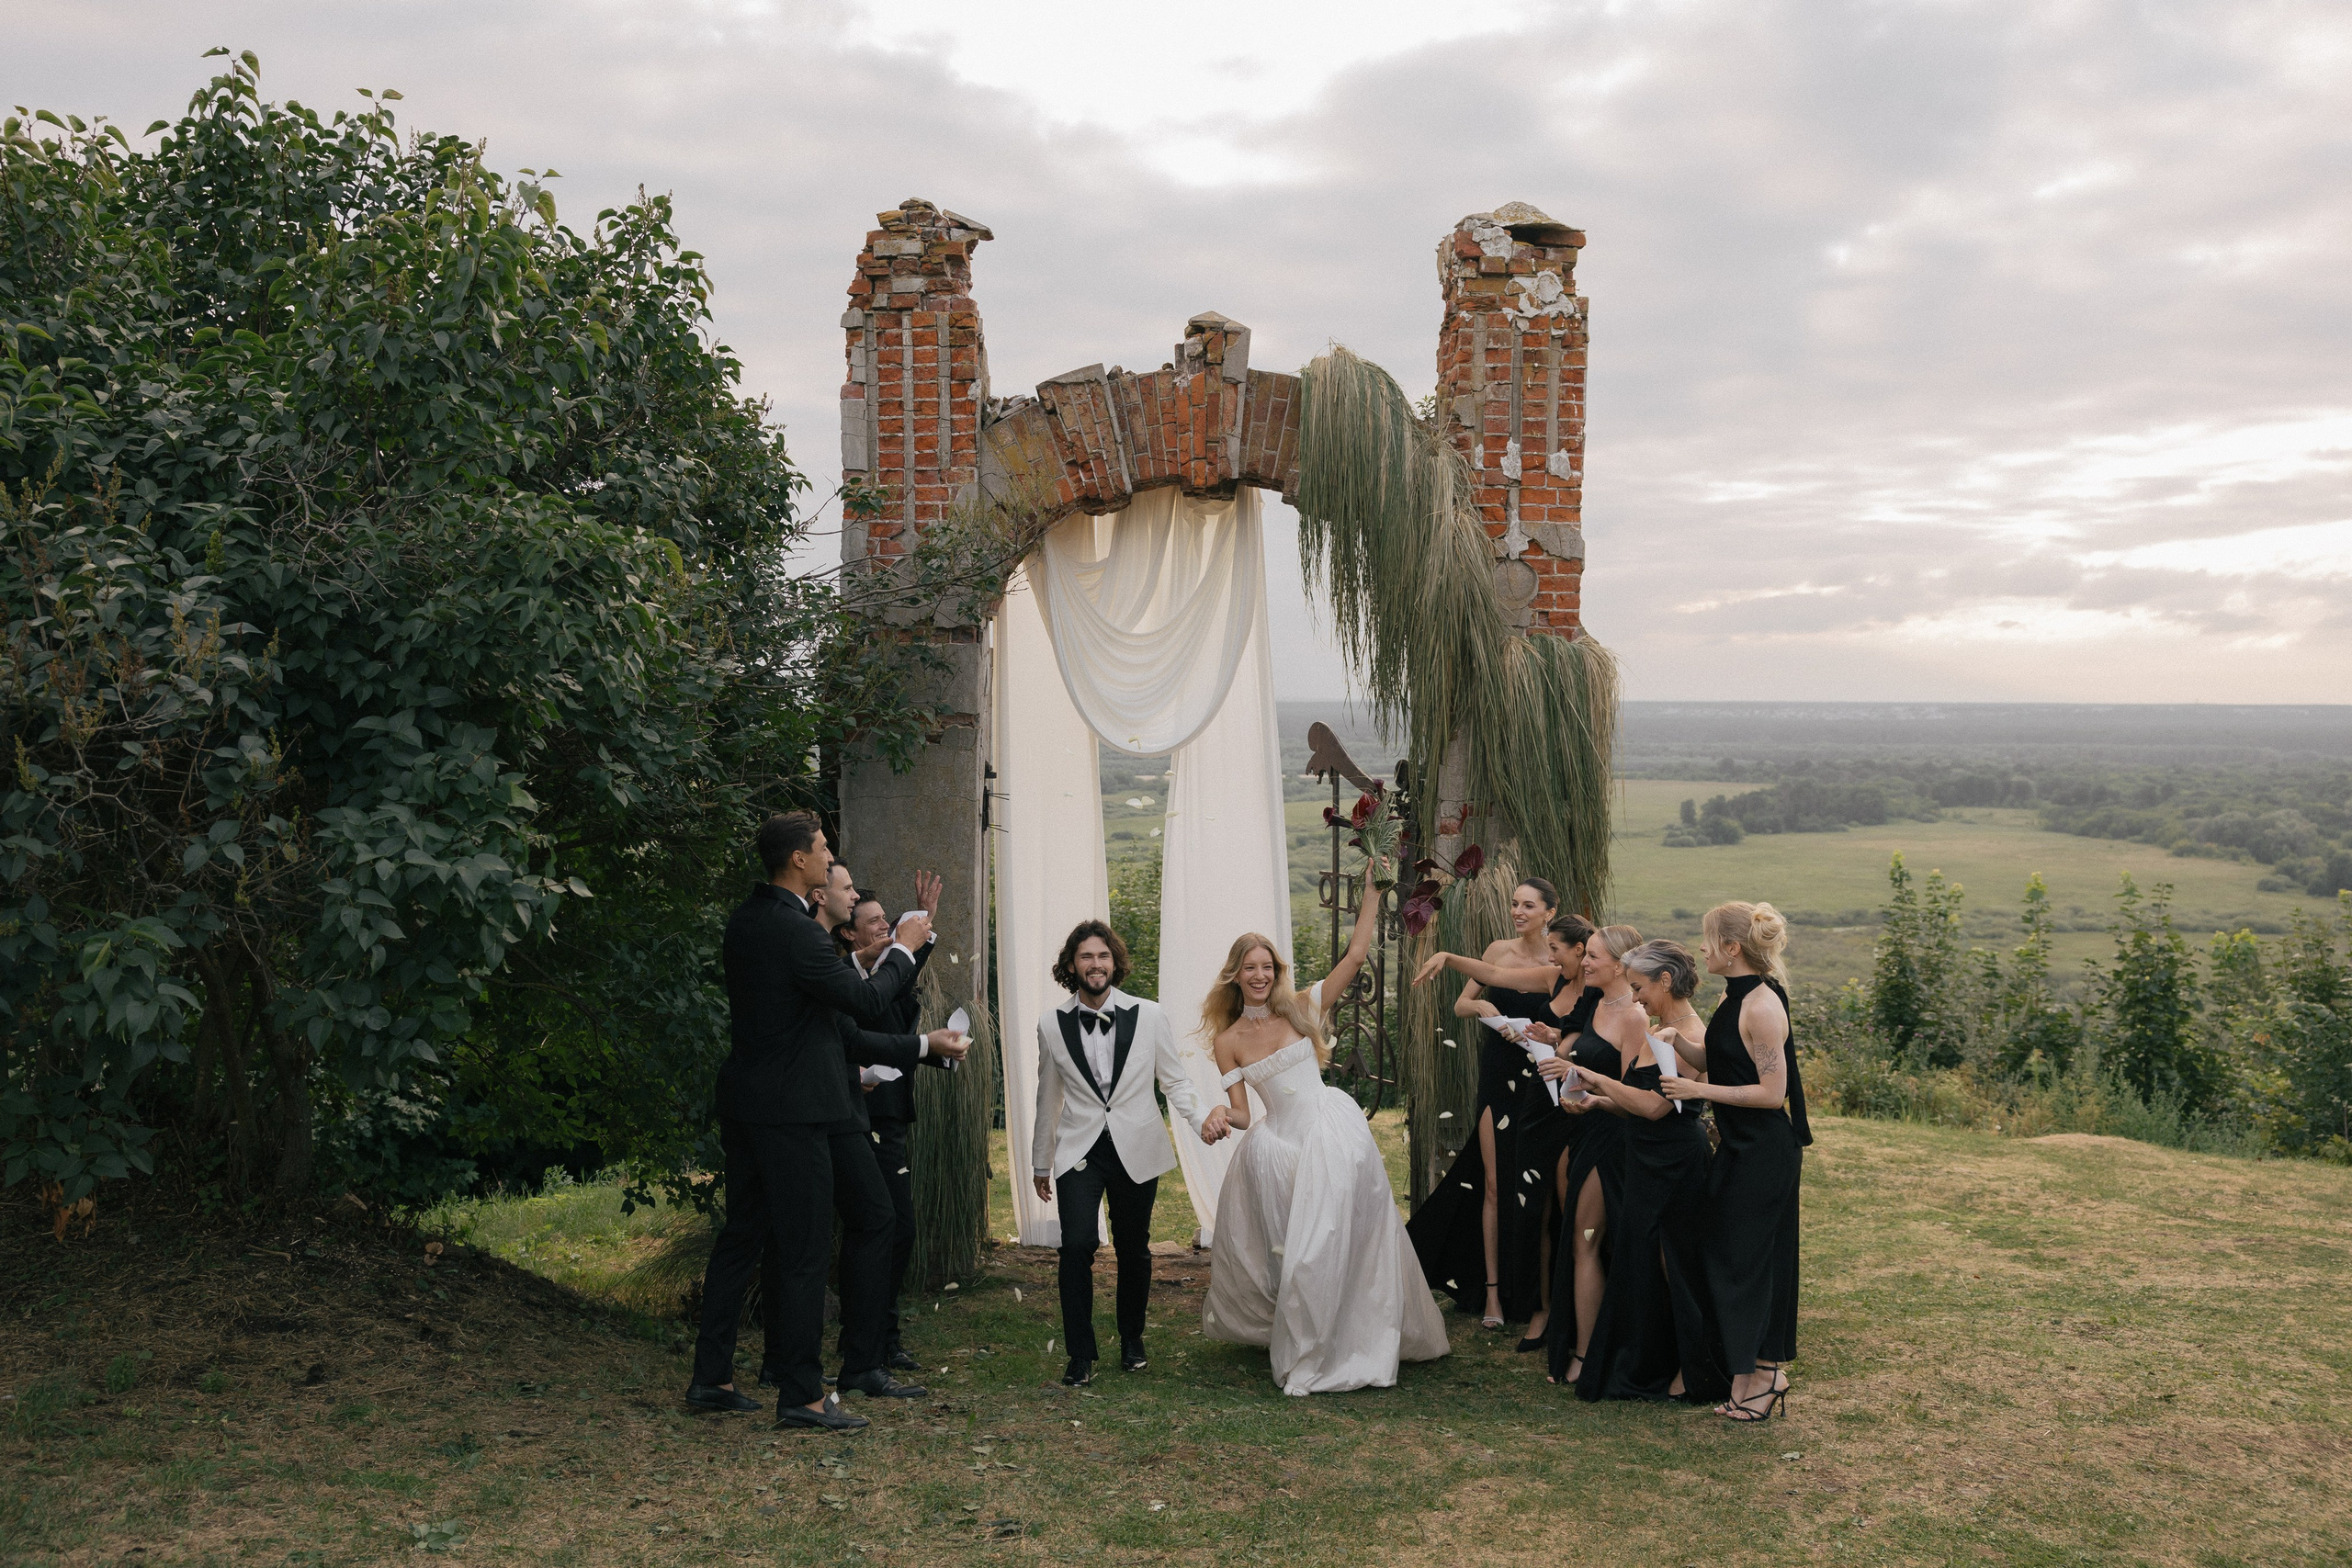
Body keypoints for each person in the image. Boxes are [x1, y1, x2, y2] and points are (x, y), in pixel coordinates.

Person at [685, 811, 967, 1434]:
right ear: (798, 861)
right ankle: (804, 1394)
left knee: (742, 1237)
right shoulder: (798, 932)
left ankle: (712, 1377)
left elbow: (832, 1021)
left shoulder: (747, 920)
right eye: (823, 850)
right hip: (795, 1112)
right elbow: (867, 1000)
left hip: (747, 1104)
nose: (829, 858)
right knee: (804, 1249)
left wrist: (918, 1038)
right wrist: (904, 946)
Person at [1200, 893, 1450, 1394]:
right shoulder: (1227, 1041)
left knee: (1343, 1239)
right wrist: (1217, 1114)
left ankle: (1359, 1336)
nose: (1259, 976)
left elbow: (1355, 957)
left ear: (1276, 971)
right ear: (1235, 975)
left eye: (1267, 967)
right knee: (1299, 1254)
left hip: (1331, 1135)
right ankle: (1311, 1341)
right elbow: (1243, 1114)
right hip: (1279, 1151)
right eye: (1250, 968)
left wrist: (1374, 891)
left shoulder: (1300, 1008)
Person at [1032, 920, 1229, 1388]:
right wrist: (1042, 1161)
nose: (1095, 964)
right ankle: (1080, 1354)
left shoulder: (1150, 1015)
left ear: (1114, 962)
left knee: (1133, 1248)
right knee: (1076, 1245)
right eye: (1086, 956)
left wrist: (1200, 1118)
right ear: (1071, 965)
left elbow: (1174, 1080)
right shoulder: (1051, 1024)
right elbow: (1048, 1096)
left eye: (1103, 955)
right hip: (1079, 1149)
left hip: (1135, 1146)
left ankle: (1131, 1339)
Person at [1408, 909, 1599, 1350]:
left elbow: (1585, 1043)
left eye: (1557, 950)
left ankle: (1570, 1311)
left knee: (1566, 1206)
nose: (1552, 957)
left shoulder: (1595, 990)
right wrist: (1447, 957)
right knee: (1535, 1207)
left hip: (1572, 1105)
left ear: (1579, 950)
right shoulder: (1554, 978)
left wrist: (1555, 1039)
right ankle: (1539, 1306)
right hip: (1537, 1099)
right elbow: (1494, 974)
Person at [1657, 901, 1810, 1422]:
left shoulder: (1762, 1005)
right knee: (1727, 1254)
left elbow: (1771, 1093)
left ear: (1732, 947)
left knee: (1750, 1261)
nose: (1701, 948)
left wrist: (1696, 1090)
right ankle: (1750, 1372)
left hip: (1764, 1152)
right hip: (1739, 1148)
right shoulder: (1732, 996)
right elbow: (1723, 1060)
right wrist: (1679, 1041)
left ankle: (1764, 1374)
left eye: (1707, 939)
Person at [1567, 940, 1725, 1405]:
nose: (1634, 998)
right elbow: (1634, 1103)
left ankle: (1693, 1368)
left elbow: (1657, 1107)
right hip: (1643, 1157)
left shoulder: (1692, 1034)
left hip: (1675, 1161)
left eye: (1638, 987)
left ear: (1666, 980)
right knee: (1644, 1262)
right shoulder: (1656, 1029)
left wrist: (1599, 1080)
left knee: (1674, 1262)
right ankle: (1650, 1361)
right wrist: (1597, 1102)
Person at [842, 876, 947, 1374]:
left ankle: (882, 1335)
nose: (886, 926)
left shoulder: (887, 974)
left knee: (896, 1229)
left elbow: (902, 975)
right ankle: (868, 1340)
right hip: (860, 1115)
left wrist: (922, 925)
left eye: (888, 918)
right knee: (883, 1226)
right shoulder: (849, 984)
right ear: (850, 934)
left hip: (891, 1114)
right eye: (875, 921)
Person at [1546, 923, 1645, 1386]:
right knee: (1579, 1240)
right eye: (1585, 955)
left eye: (1593, 956)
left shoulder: (1635, 1018)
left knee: (1586, 1242)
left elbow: (1631, 1096)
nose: (1584, 962)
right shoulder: (1597, 1003)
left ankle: (1588, 1357)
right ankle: (1583, 1342)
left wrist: (1588, 1090)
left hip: (1612, 1141)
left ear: (1621, 965)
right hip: (1583, 1130)